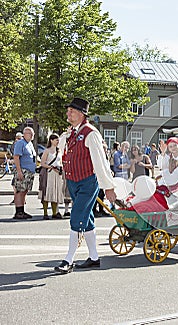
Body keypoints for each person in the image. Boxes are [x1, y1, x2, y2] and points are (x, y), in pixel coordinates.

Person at [54, 97, 116, 274]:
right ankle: (94, 258)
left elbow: (100, 162)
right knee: (87, 220)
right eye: (68, 110)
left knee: (76, 218)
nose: (68, 113)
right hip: (73, 181)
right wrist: (67, 134)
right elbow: (62, 149)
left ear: (81, 114)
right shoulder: (72, 133)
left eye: (71, 111)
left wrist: (108, 186)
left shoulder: (91, 133)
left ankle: (68, 259)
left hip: (88, 181)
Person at [12, 127, 37, 219]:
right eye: (29, 133)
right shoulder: (20, 143)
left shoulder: (29, 144)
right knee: (19, 191)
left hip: (29, 172)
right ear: (24, 134)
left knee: (25, 190)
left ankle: (22, 210)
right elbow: (16, 157)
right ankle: (18, 212)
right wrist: (19, 171)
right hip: (23, 170)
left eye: (32, 133)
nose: (31, 135)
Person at [38, 133, 64, 220]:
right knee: (47, 192)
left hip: (57, 174)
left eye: (58, 140)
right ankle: (45, 213)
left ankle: (54, 212)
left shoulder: (59, 151)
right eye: (56, 140)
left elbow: (60, 162)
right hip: (49, 173)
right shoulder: (47, 151)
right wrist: (51, 167)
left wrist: (60, 168)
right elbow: (42, 163)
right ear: (51, 140)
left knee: (55, 193)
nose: (57, 142)